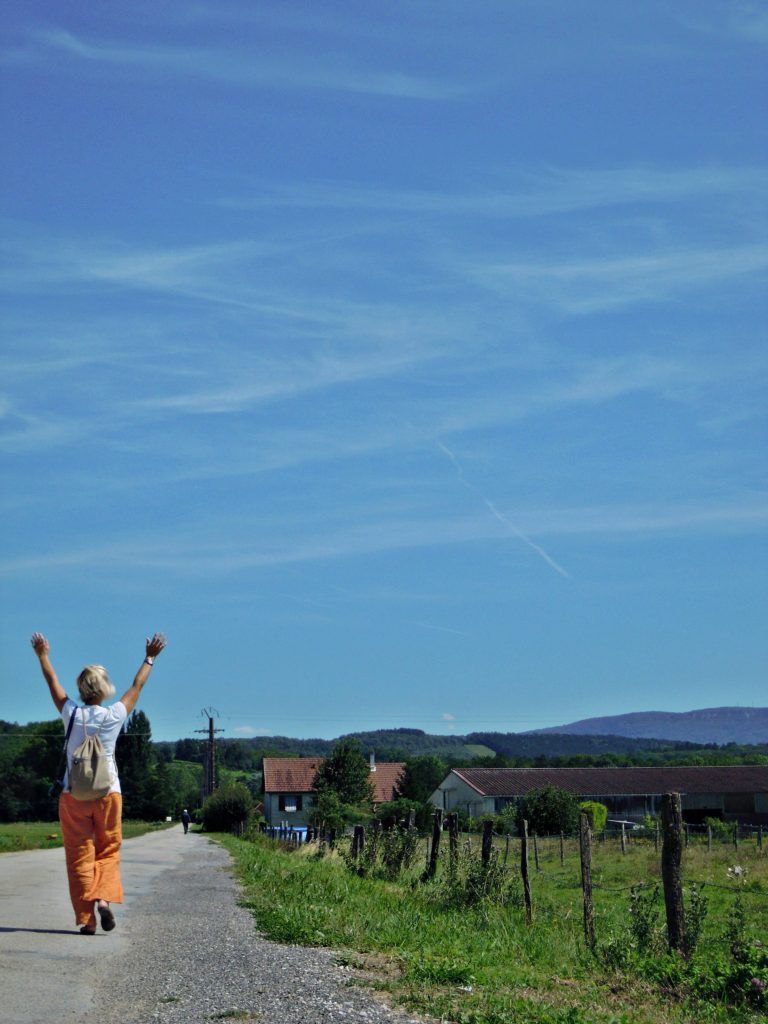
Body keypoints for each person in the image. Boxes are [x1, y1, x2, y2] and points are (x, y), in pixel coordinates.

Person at [30, 630, 167, 935]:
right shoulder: (115, 714)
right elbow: (137, 686)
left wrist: (43, 655)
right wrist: (150, 657)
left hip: (72, 795)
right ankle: (104, 900)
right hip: (109, 793)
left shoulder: (71, 713)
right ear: (104, 689)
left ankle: (87, 920)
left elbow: (53, 684)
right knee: (108, 851)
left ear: (81, 689)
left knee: (79, 854)